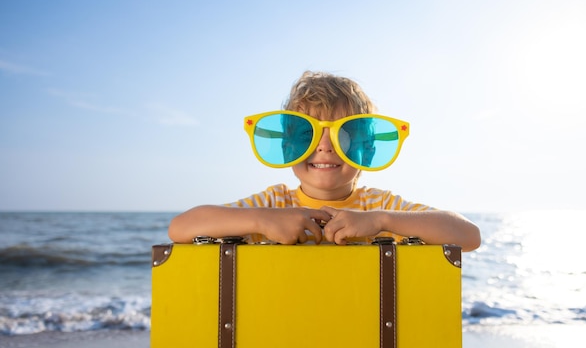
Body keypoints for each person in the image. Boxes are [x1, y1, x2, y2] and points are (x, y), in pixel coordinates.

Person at [169, 71, 481, 251]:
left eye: (344, 134)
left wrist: (382, 220)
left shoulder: (379, 206)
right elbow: (181, 227)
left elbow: (468, 236)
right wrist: (261, 220)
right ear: (289, 147)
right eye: (308, 134)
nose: (324, 146)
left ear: (366, 150)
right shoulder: (273, 203)